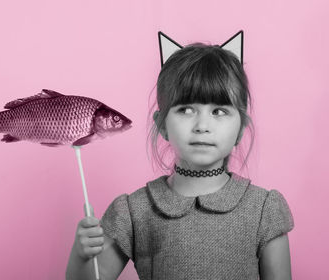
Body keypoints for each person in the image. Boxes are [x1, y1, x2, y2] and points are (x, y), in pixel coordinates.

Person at [66, 43, 294, 280]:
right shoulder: (134, 211)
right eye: (186, 110)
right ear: (162, 124)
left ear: (241, 128)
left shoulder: (264, 209)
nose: (202, 127)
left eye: (219, 111)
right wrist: (81, 257)